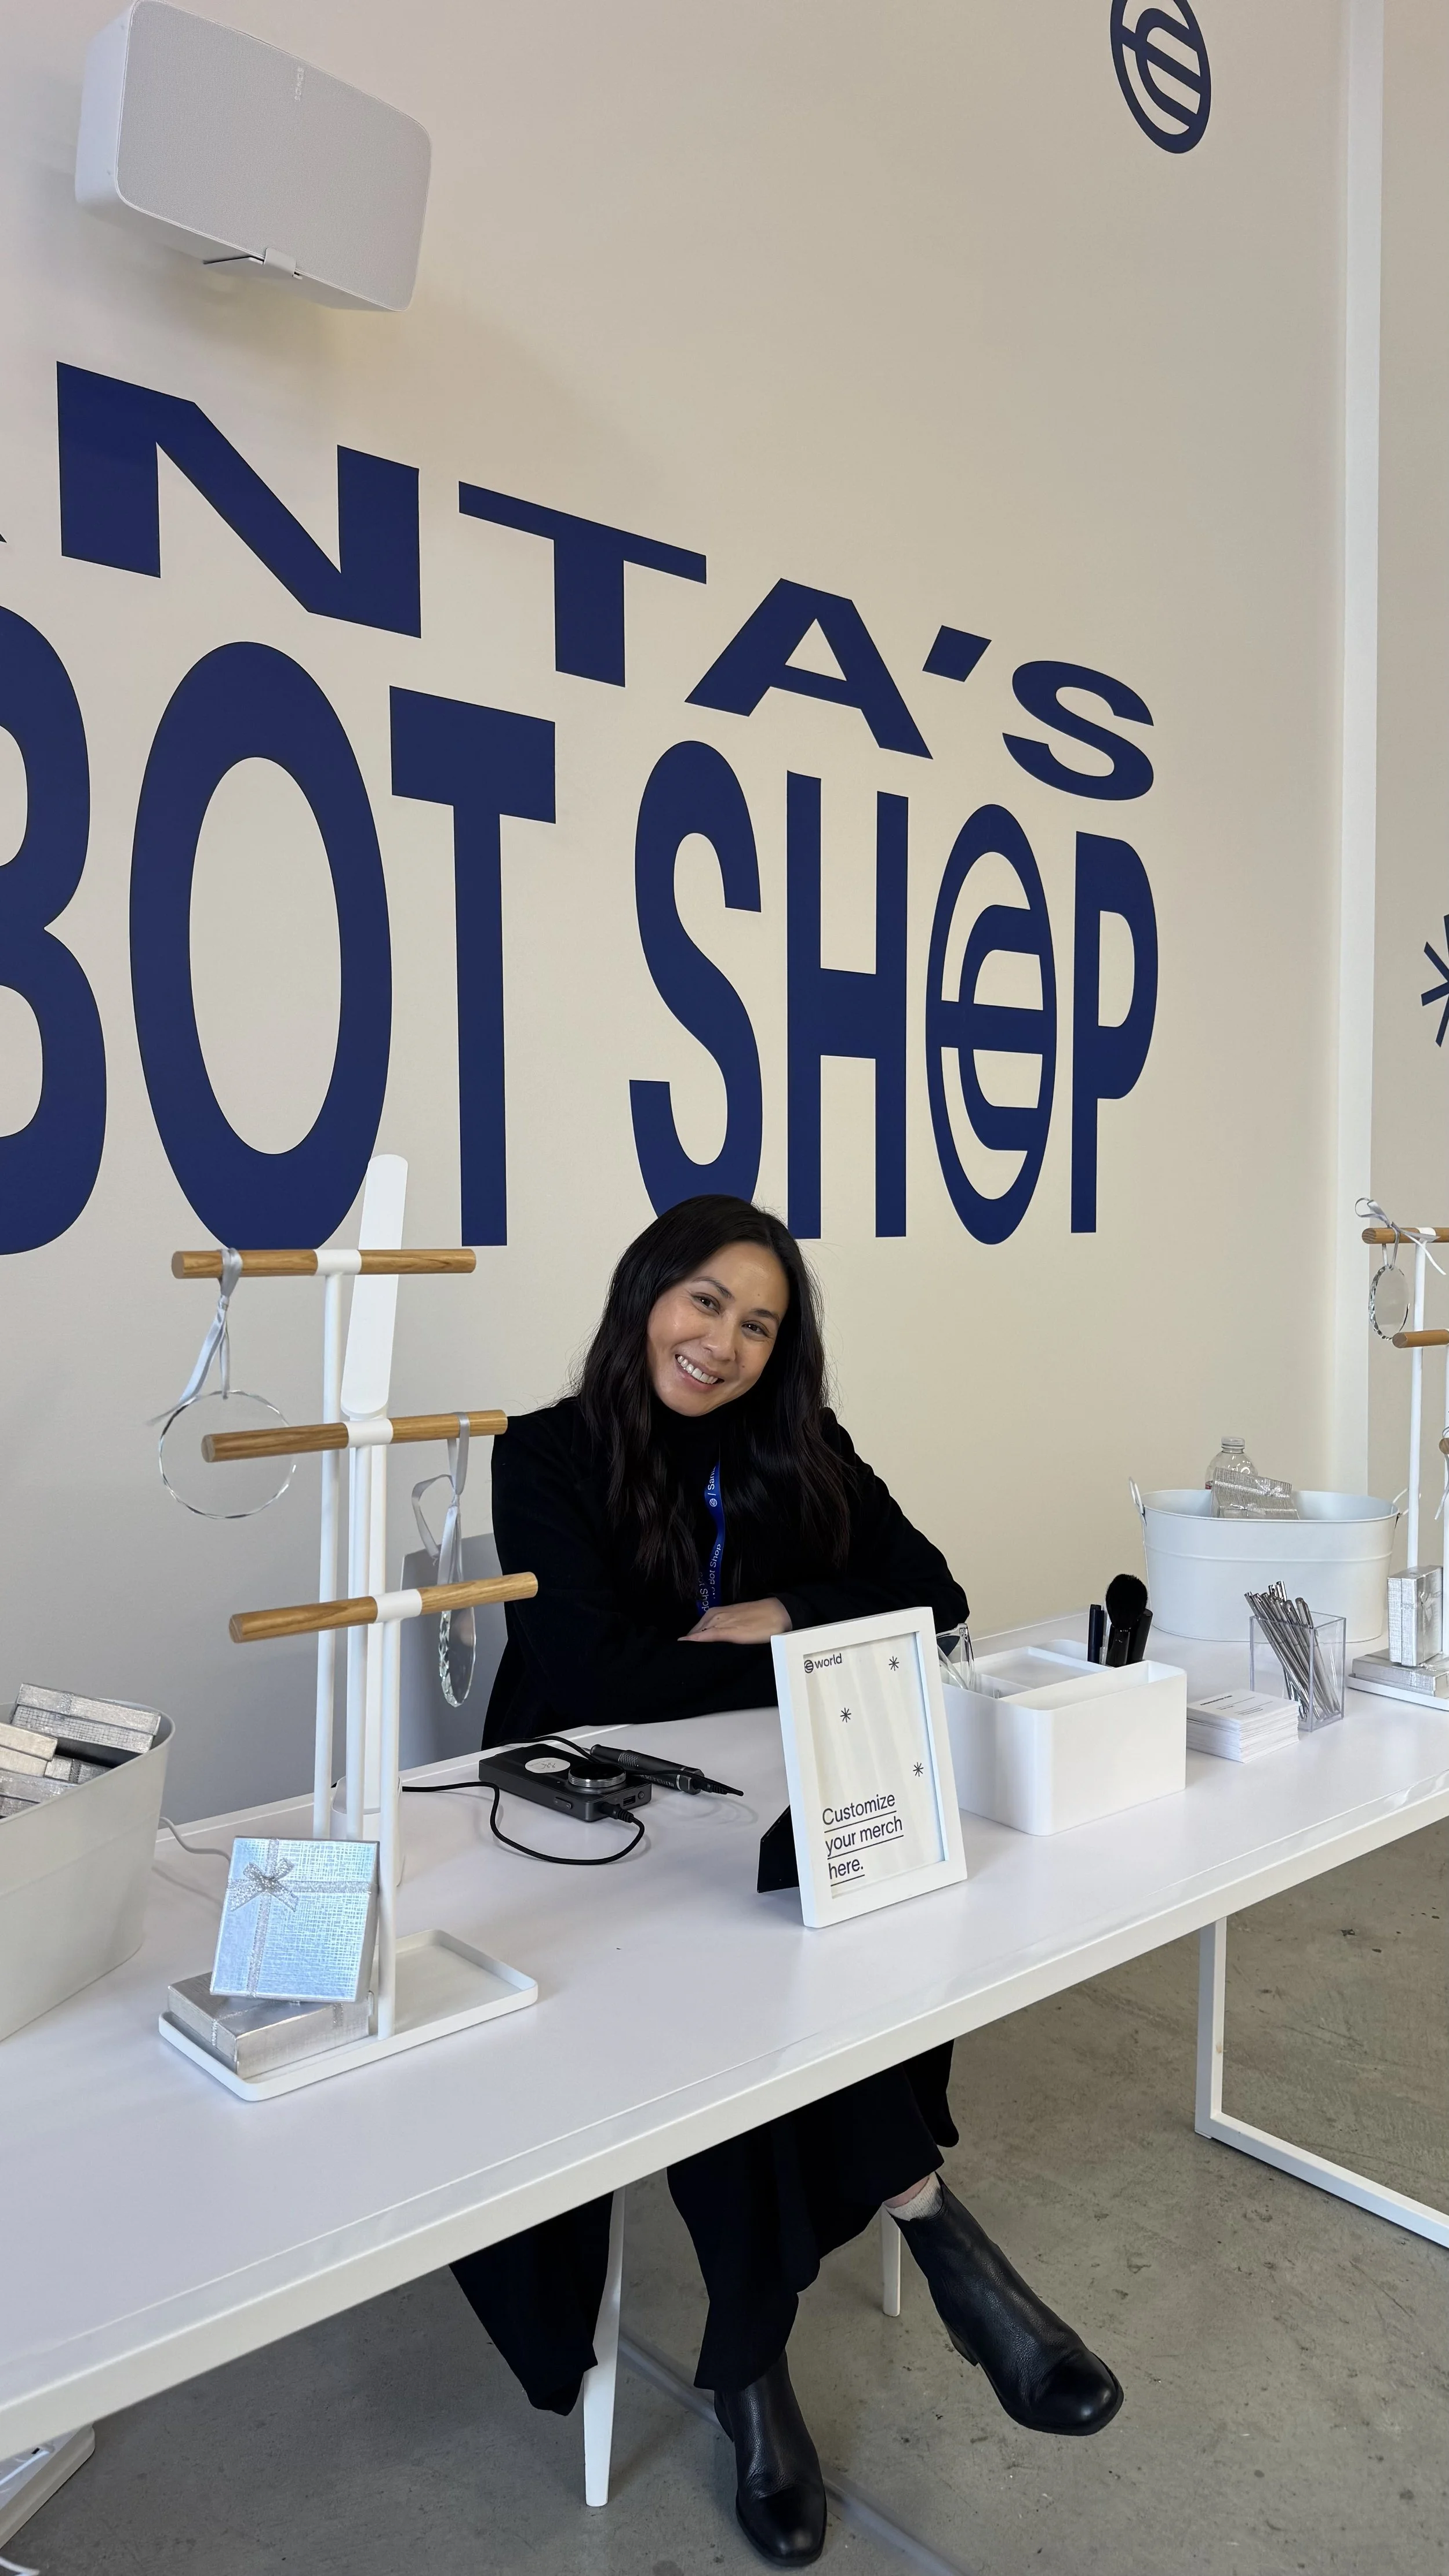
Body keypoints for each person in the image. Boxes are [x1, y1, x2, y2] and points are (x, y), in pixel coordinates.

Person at [453, 1196, 1121, 2567]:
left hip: (760, 1796)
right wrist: (810, 1637)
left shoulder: (798, 1446)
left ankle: (752, 2360)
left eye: (758, 1323)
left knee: (823, 1950)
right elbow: (589, 1680)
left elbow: (932, 1596)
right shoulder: (545, 1452)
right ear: (646, 1291)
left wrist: (779, 1613)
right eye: (704, 1301)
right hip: (588, 1825)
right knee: (723, 2002)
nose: (723, 1342)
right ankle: (916, 2246)